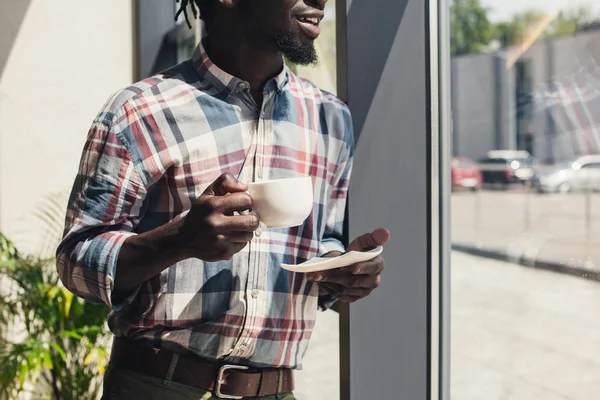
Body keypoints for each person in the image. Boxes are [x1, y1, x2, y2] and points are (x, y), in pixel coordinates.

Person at [56, 0, 390, 398]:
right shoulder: (139, 111)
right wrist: (176, 241)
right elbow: (76, 261)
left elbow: (324, 242)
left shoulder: (331, 119)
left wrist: (343, 273)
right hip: (157, 386)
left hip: (275, 391)